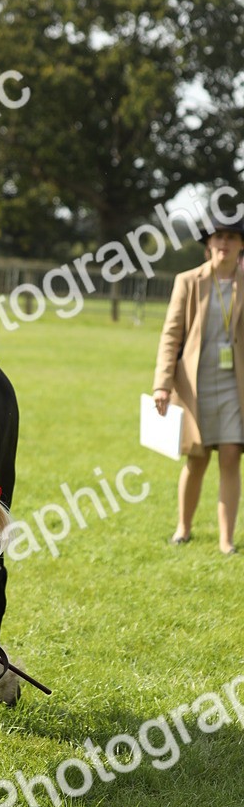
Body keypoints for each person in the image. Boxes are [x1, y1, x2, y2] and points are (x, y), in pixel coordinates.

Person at [153, 216, 244, 554]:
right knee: (198, 458)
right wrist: (162, 384)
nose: (225, 243)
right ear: (209, 243)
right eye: (219, 236)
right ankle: (183, 528)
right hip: (195, 386)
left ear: (241, 245)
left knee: (232, 455)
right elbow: (170, 335)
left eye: (232, 237)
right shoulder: (188, 281)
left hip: (236, 387)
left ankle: (226, 541)